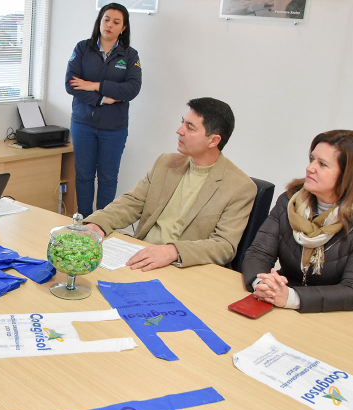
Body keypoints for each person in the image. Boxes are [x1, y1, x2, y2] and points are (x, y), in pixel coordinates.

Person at [84, 97, 256, 271]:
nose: (179, 131)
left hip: (182, 267)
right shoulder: (166, 162)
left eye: (190, 127)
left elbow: (224, 246)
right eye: (183, 123)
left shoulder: (240, 187)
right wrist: (98, 224)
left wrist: (173, 251)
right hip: (139, 257)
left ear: (213, 141)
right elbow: (131, 202)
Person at [242, 130, 353, 313]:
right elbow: (259, 253)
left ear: (348, 175)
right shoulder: (290, 201)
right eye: (312, 159)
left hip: (338, 316)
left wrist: (292, 298)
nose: (310, 168)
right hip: (283, 305)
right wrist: (262, 284)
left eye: (322, 164)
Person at [66, 2, 142, 217]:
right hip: (83, 124)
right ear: (99, 21)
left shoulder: (130, 55)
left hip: (114, 128)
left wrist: (95, 85)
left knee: (108, 178)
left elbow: (132, 89)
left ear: (123, 28)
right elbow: (71, 84)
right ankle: (83, 222)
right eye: (106, 19)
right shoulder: (82, 48)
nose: (109, 25)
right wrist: (101, 99)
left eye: (116, 22)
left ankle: (101, 225)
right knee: (84, 175)